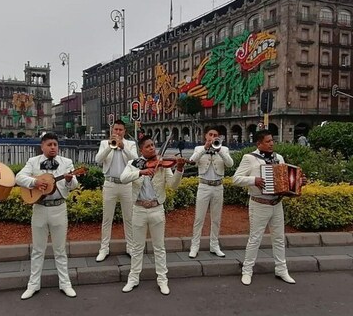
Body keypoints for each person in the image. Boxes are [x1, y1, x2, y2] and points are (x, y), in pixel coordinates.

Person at [119, 135, 185, 296]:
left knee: (159, 247)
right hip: (139, 210)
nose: (152, 148)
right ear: (141, 150)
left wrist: (180, 170)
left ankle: (162, 280)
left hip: (157, 209)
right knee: (137, 247)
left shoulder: (162, 165)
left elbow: (173, 186)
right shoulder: (133, 164)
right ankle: (133, 278)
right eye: (148, 146)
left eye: (153, 145)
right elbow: (123, 178)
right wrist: (141, 172)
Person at [16, 132, 79, 300]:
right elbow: (19, 177)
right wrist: (35, 182)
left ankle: (65, 284)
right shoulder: (33, 162)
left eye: (55, 145)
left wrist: (68, 180)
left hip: (59, 208)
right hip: (39, 208)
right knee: (37, 250)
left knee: (60, 250)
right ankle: (33, 285)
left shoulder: (66, 163)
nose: (53, 147)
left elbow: (74, 185)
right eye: (49, 144)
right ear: (42, 146)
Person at [232, 130, 300, 286]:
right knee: (255, 238)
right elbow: (235, 179)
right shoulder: (249, 158)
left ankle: (281, 270)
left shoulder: (279, 158)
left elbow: (285, 180)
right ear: (259, 143)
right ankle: (247, 271)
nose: (271, 143)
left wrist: (296, 182)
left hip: (277, 203)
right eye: (268, 141)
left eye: (272, 141)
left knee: (279, 238)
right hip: (259, 203)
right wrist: (253, 180)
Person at [95, 119, 138, 262]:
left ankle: (131, 247)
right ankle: (104, 248)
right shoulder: (104, 143)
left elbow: (136, 161)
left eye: (120, 130)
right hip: (110, 183)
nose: (118, 132)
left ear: (124, 131)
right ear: (111, 131)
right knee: (107, 218)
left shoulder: (130, 144)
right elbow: (98, 160)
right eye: (115, 130)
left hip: (126, 185)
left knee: (129, 218)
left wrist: (123, 147)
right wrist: (109, 146)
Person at [188, 127, 234, 258]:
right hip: (204, 186)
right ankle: (194, 246)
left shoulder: (224, 149)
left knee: (216, 219)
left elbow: (230, 164)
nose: (213, 137)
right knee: (199, 218)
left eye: (215, 135)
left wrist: (219, 151)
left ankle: (214, 245)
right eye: (210, 134)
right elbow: (192, 161)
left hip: (218, 186)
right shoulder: (198, 149)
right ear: (205, 136)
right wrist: (205, 148)